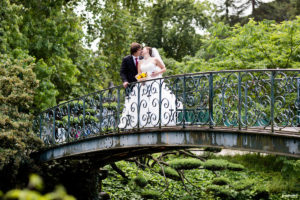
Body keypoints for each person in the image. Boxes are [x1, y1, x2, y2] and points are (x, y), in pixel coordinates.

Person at [118, 46, 182, 129]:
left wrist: (157, 73)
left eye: (143, 49)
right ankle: (143, 122)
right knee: (143, 103)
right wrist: (140, 77)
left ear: (148, 50)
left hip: (154, 83)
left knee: (157, 101)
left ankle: (160, 121)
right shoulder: (140, 62)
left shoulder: (155, 59)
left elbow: (164, 68)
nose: (142, 50)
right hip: (144, 85)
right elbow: (139, 74)